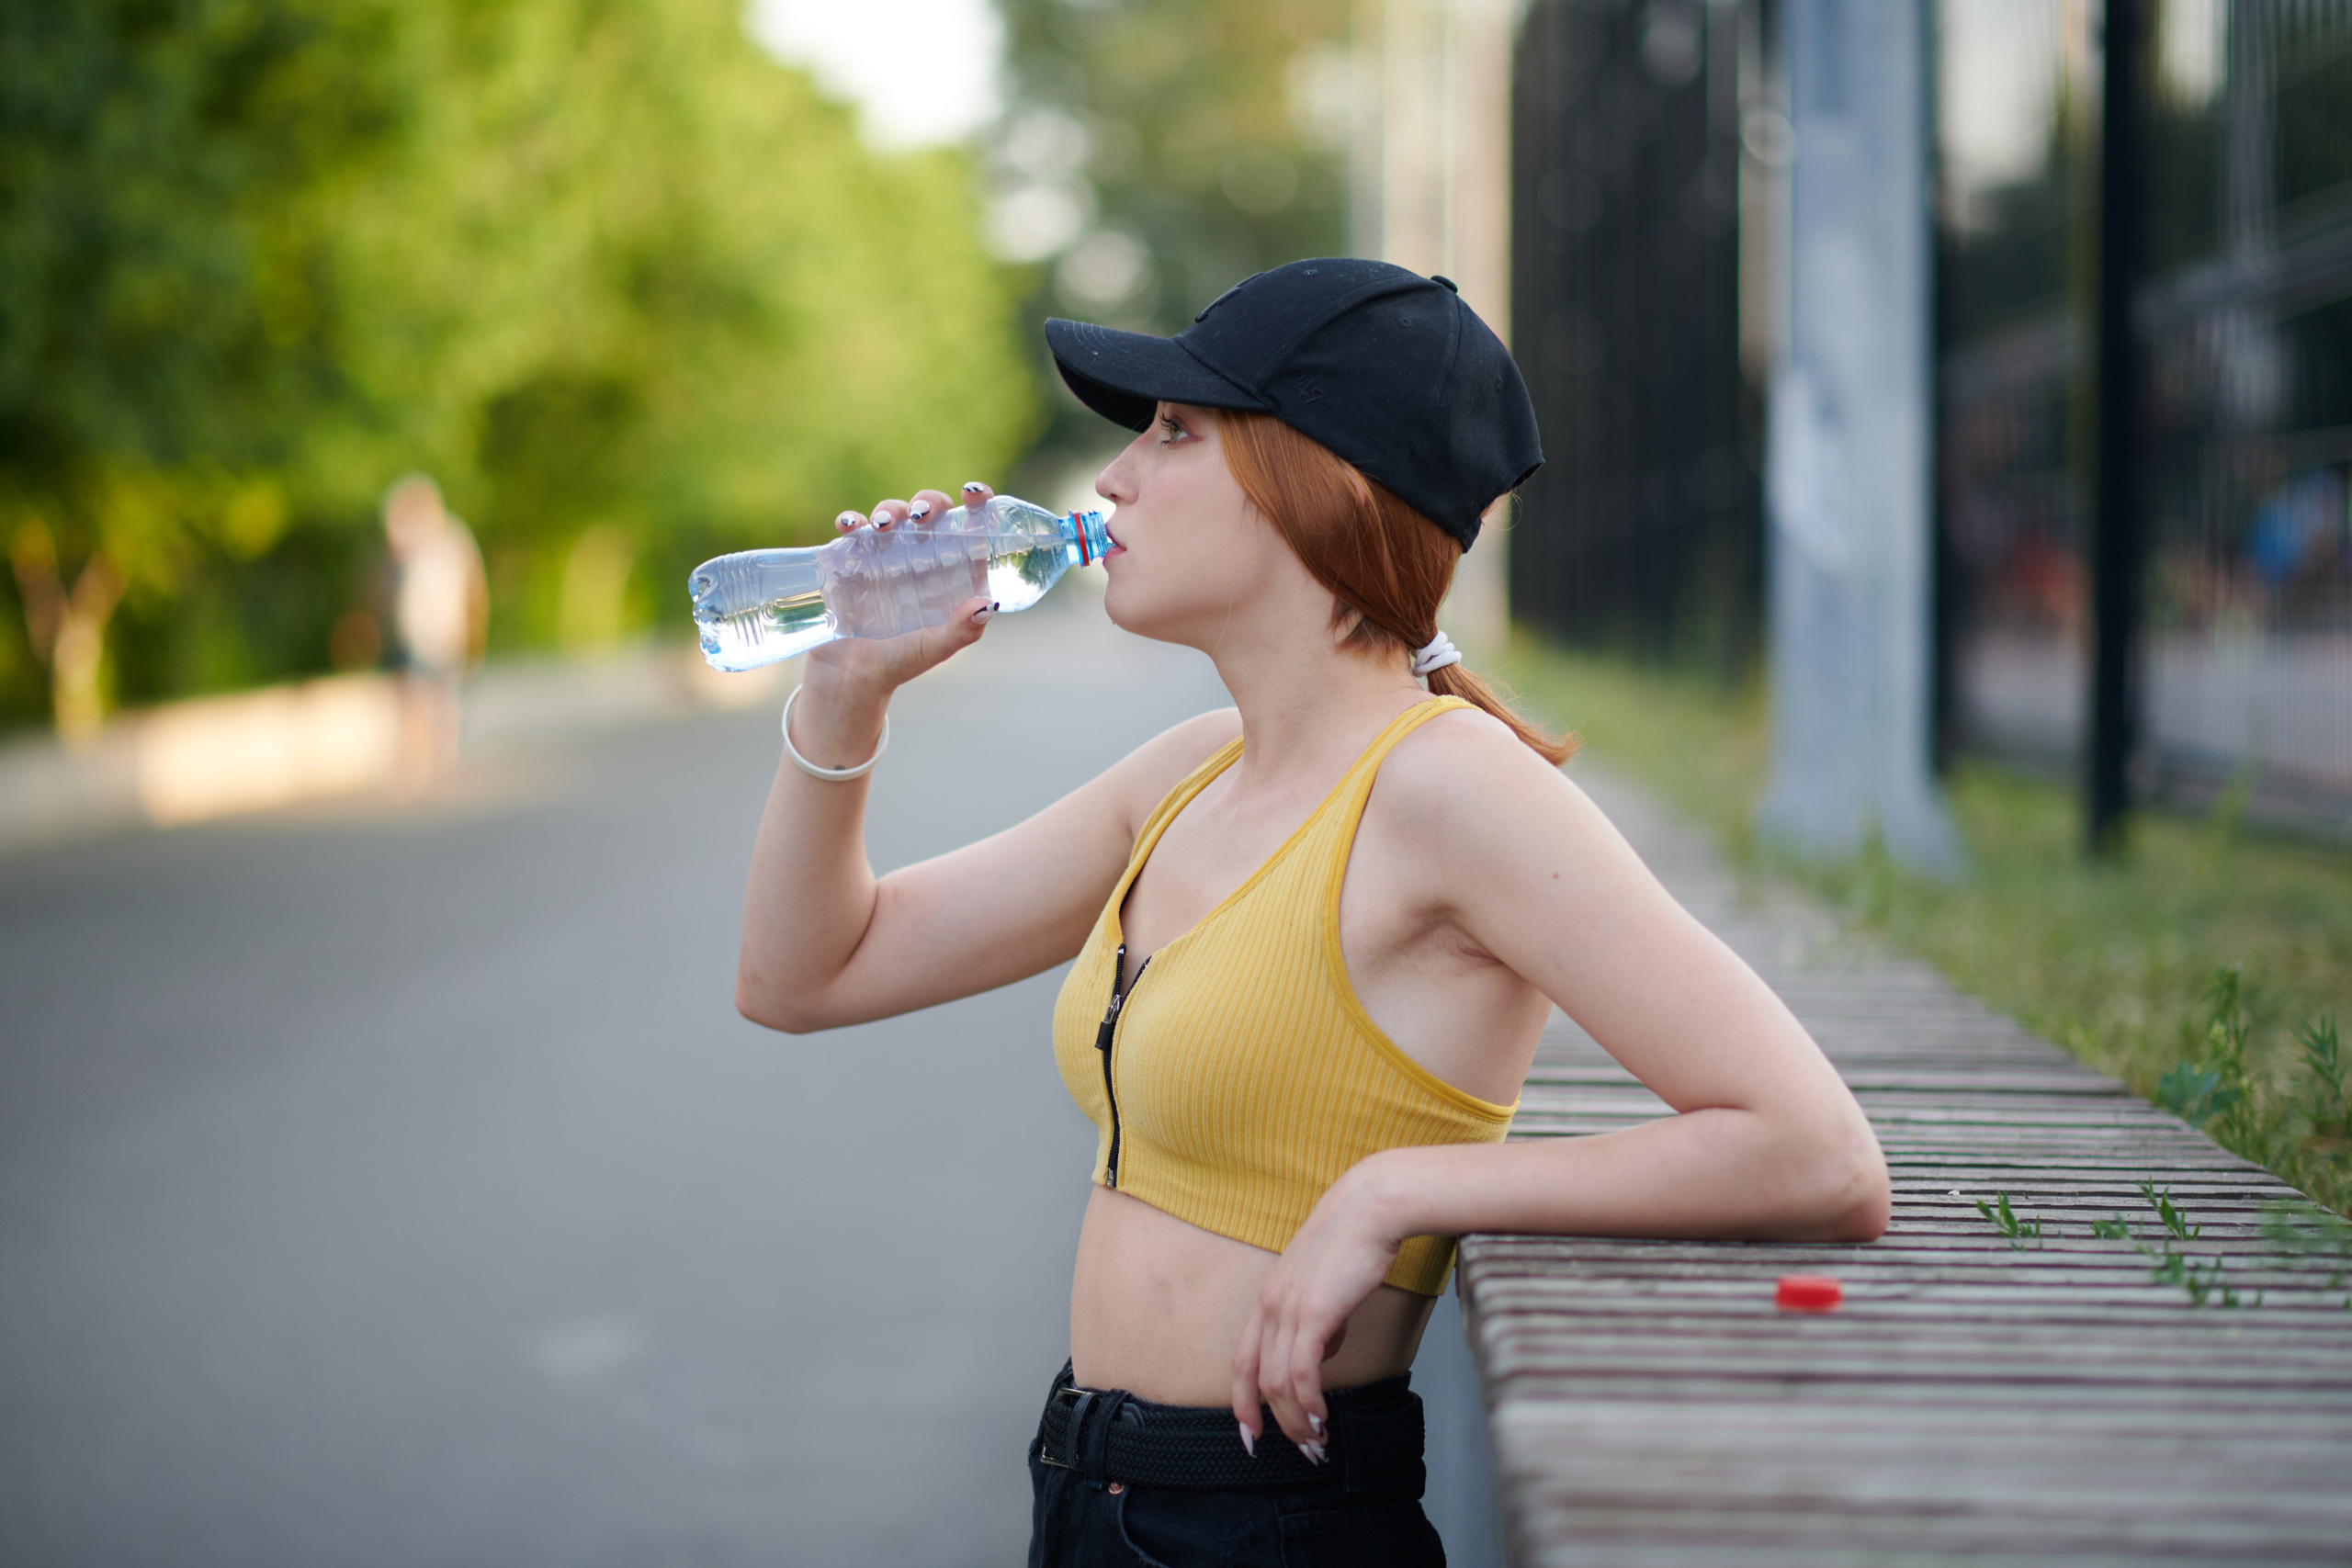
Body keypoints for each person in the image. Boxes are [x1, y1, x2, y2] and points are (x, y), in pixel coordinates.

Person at [733, 259, 1888, 1566]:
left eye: (1176, 432)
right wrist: (844, 695)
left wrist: (1398, 1190)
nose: (1111, 478)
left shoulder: (1452, 788)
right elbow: (803, 977)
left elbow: (1819, 1154)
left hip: (1265, 1522)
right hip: (1086, 1494)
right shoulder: (1188, 773)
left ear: (1326, 483)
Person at [380, 474, 488, 795]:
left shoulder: (451, 538)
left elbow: (473, 585)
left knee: (436, 698)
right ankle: (420, 762)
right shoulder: (414, 540)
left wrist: (474, 630)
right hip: (414, 633)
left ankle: (435, 759)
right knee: (416, 698)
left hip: (443, 632)